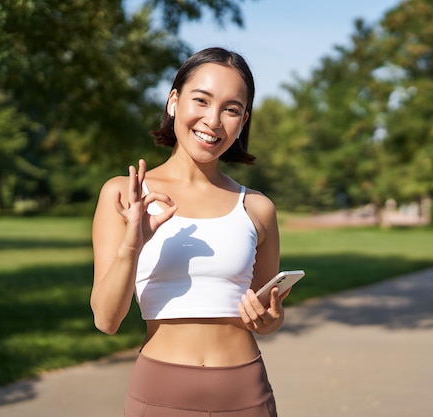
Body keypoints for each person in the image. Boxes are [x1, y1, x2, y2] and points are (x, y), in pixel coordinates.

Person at [90, 47, 288, 417]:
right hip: (160, 394)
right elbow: (106, 320)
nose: (213, 120)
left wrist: (272, 321)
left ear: (243, 120)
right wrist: (132, 243)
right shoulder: (124, 194)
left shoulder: (258, 208)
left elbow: (263, 312)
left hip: (245, 394)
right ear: (174, 101)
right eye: (201, 100)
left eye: (231, 109)